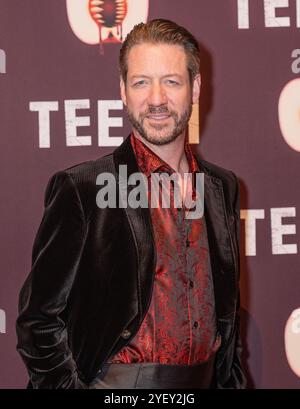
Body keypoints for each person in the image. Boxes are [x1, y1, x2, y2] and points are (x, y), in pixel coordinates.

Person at [16, 19, 246, 389]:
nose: (156, 99)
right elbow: (38, 321)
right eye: (141, 82)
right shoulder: (82, 188)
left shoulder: (221, 187)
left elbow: (228, 315)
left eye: (171, 81)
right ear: (123, 90)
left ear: (195, 87)